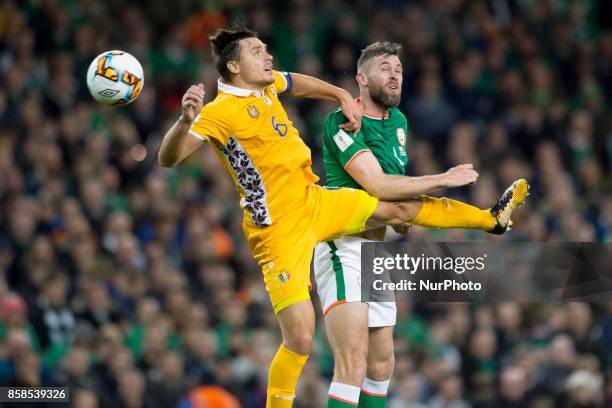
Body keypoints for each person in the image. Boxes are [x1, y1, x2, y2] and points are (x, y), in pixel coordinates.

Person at [158, 28, 528, 408]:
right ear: (234, 65)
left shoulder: (267, 88)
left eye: (267, 49)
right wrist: (185, 122)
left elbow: (295, 83)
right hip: (278, 230)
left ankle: (490, 219)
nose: (268, 56)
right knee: (301, 339)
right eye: (257, 52)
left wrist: (336, 92)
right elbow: (168, 158)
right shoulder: (218, 113)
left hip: (316, 200)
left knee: (396, 216)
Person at [313, 41, 529, 407]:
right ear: (360, 79)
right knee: (351, 364)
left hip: (374, 250)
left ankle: (490, 220)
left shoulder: (399, 123)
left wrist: (401, 216)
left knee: (381, 366)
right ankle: (486, 220)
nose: (395, 73)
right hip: (342, 244)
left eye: (398, 68)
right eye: (385, 67)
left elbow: (395, 194)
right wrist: (443, 177)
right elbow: (378, 185)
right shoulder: (341, 120)